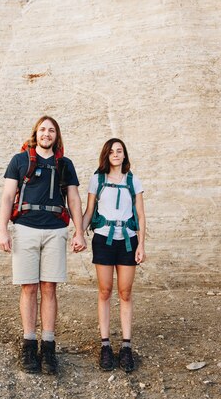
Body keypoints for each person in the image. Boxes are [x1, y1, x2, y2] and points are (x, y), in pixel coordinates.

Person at [0, 116, 87, 374]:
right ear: (35, 134)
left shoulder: (65, 164)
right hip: (25, 228)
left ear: (56, 136)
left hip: (56, 230)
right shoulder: (19, 160)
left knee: (49, 288)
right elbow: (7, 196)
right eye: (42, 130)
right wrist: (2, 229)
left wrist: (79, 232)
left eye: (51, 130)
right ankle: (28, 345)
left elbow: (74, 199)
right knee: (29, 288)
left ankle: (48, 346)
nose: (46, 134)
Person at [81, 138, 146, 372]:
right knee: (105, 291)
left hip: (128, 240)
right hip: (103, 239)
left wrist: (141, 244)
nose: (116, 155)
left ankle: (126, 347)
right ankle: (106, 345)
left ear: (124, 155)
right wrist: (79, 233)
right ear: (106, 155)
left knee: (125, 292)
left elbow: (140, 214)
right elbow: (89, 211)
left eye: (120, 151)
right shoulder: (97, 180)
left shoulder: (133, 181)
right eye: (112, 151)